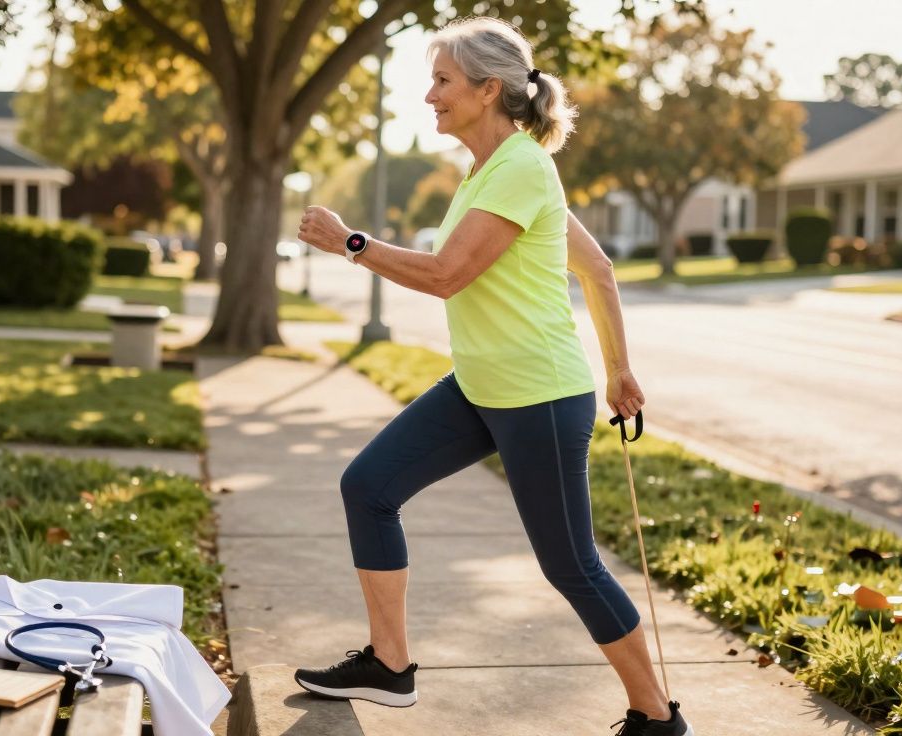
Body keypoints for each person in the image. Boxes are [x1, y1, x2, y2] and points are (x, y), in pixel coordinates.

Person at [294, 16, 695, 736]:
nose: (430, 96)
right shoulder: (491, 171)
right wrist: (619, 370)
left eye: (442, 81)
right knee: (369, 487)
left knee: (570, 566)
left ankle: (657, 716)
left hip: (538, 396)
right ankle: (389, 666)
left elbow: (447, 275)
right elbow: (597, 268)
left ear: (487, 90)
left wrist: (351, 242)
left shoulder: (522, 168)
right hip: (480, 387)